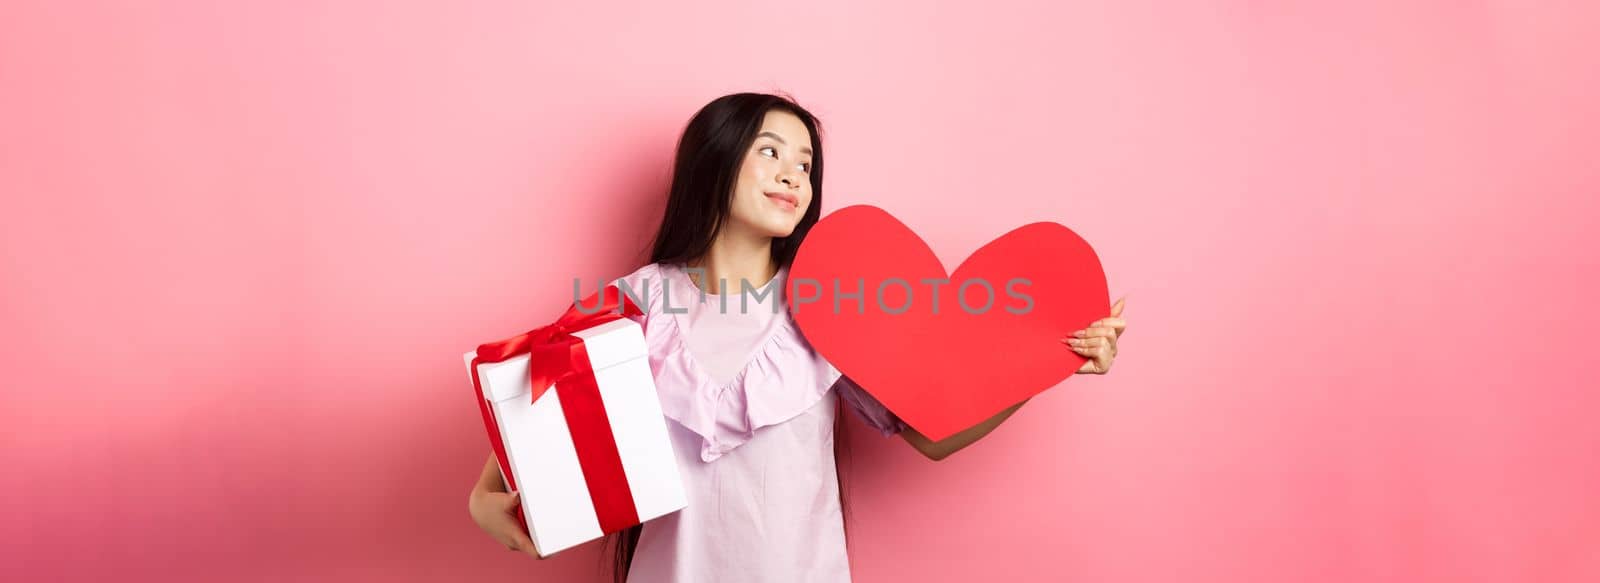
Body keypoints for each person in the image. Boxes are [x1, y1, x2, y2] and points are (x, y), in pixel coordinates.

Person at [467, 92, 1129, 582]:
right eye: (771, 153)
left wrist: (1054, 359)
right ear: (715, 162)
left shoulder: (832, 306)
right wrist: (485, 504)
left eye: (805, 163)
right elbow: (521, 438)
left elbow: (931, 436)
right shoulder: (634, 303)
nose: (793, 175)